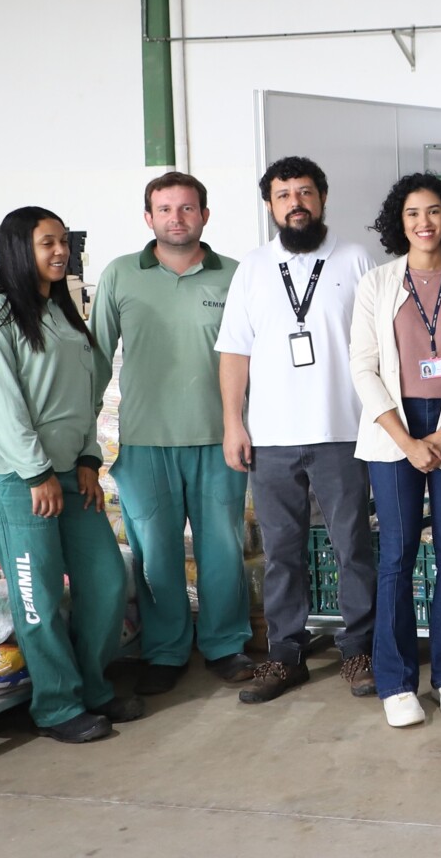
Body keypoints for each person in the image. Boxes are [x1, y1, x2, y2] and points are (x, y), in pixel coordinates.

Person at [0, 207, 139, 742]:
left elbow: (84, 397)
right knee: (36, 592)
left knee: (107, 581)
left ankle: (90, 685)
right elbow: (2, 404)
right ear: (21, 249)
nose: (60, 251)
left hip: (68, 472)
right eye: (47, 243)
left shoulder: (63, 309)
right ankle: (57, 706)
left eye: (64, 242)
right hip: (15, 476)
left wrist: (88, 460)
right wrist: (37, 472)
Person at [216, 155, 377, 703]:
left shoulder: (355, 259)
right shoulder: (253, 268)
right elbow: (234, 351)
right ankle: (285, 655)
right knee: (282, 551)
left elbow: (380, 345)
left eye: (305, 192)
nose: (296, 203)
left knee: (352, 545)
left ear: (323, 198)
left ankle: (361, 649)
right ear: (270, 206)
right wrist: (233, 423)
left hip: (344, 431)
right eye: (284, 195)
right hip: (272, 438)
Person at [91, 172, 255, 697]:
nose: (176, 218)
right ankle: (164, 651)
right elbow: (94, 358)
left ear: (205, 215)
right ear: (148, 218)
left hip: (219, 440)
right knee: (156, 556)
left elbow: (257, 358)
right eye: (165, 209)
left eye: (187, 208)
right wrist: (83, 442)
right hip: (145, 444)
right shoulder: (120, 274)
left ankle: (226, 644)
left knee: (223, 553)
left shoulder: (235, 275)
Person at [349, 174, 441, 727]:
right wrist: (407, 441)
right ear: (397, 223)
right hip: (394, 428)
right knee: (397, 557)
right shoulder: (376, 285)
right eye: (412, 214)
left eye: (433, 212)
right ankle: (398, 683)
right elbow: (363, 367)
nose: (424, 223)